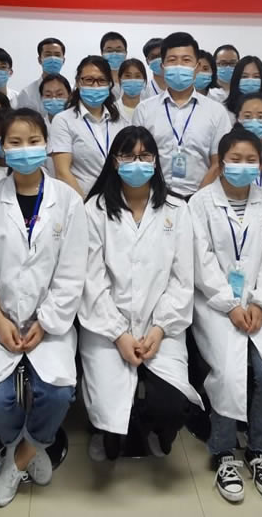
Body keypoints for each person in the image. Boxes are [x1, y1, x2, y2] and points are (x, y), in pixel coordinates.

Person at [0, 108, 87, 507]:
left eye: (33, 141)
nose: (25, 149)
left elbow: (72, 271)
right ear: (1, 148)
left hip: (49, 319)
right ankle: (26, 444)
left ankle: (18, 459)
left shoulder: (67, 201)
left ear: (46, 145)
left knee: (58, 393)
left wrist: (45, 322)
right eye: (14, 142)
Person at [80, 126, 203, 460]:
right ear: (115, 161)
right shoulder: (94, 210)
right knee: (107, 406)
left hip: (161, 324)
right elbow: (92, 280)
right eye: (128, 156)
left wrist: (160, 328)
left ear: (155, 161)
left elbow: (182, 279)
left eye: (145, 156)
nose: (137, 163)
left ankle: (152, 428)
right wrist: (119, 333)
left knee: (172, 406)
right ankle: (109, 433)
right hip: (107, 325)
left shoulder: (177, 210)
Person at [190, 126, 262, 503]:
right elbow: (201, 259)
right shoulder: (200, 203)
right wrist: (230, 304)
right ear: (221, 162)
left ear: (261, 164)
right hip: (216, 305)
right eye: (235, 159)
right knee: (228, 373)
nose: (243, 165)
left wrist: (261, 302)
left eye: (251, 160)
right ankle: (223, 453)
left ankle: (261, 452)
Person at [132, 32, 232, 199]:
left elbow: (218, 163)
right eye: (172, 60)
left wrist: (197, 199)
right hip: (155, 199)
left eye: (186, 60)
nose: (179, 65)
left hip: (201, 199)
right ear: (162, 66)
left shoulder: (216, 111)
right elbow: (138, 160)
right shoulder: (144, 110)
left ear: (197, 67)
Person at [50, 56, 128, 197]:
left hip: (118, 199)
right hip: (82, 200)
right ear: (78, 82)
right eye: (89, 80)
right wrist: (85, 205)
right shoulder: (63, 120)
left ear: (110, 84)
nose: (95, 85)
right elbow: (62, 173)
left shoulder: (120, 121)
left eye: (102, 80)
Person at [18, 38, 67, 112]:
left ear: (63, 60)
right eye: (48, 55)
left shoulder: (73, 91)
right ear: (39, 60)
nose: (53, 59)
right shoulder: (27, 93)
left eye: (57, 55)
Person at [222, 55, 262, 121]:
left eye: (256, 76)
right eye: (244, 76)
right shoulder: (223, 110)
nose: (250, 80)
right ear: (236, 79)